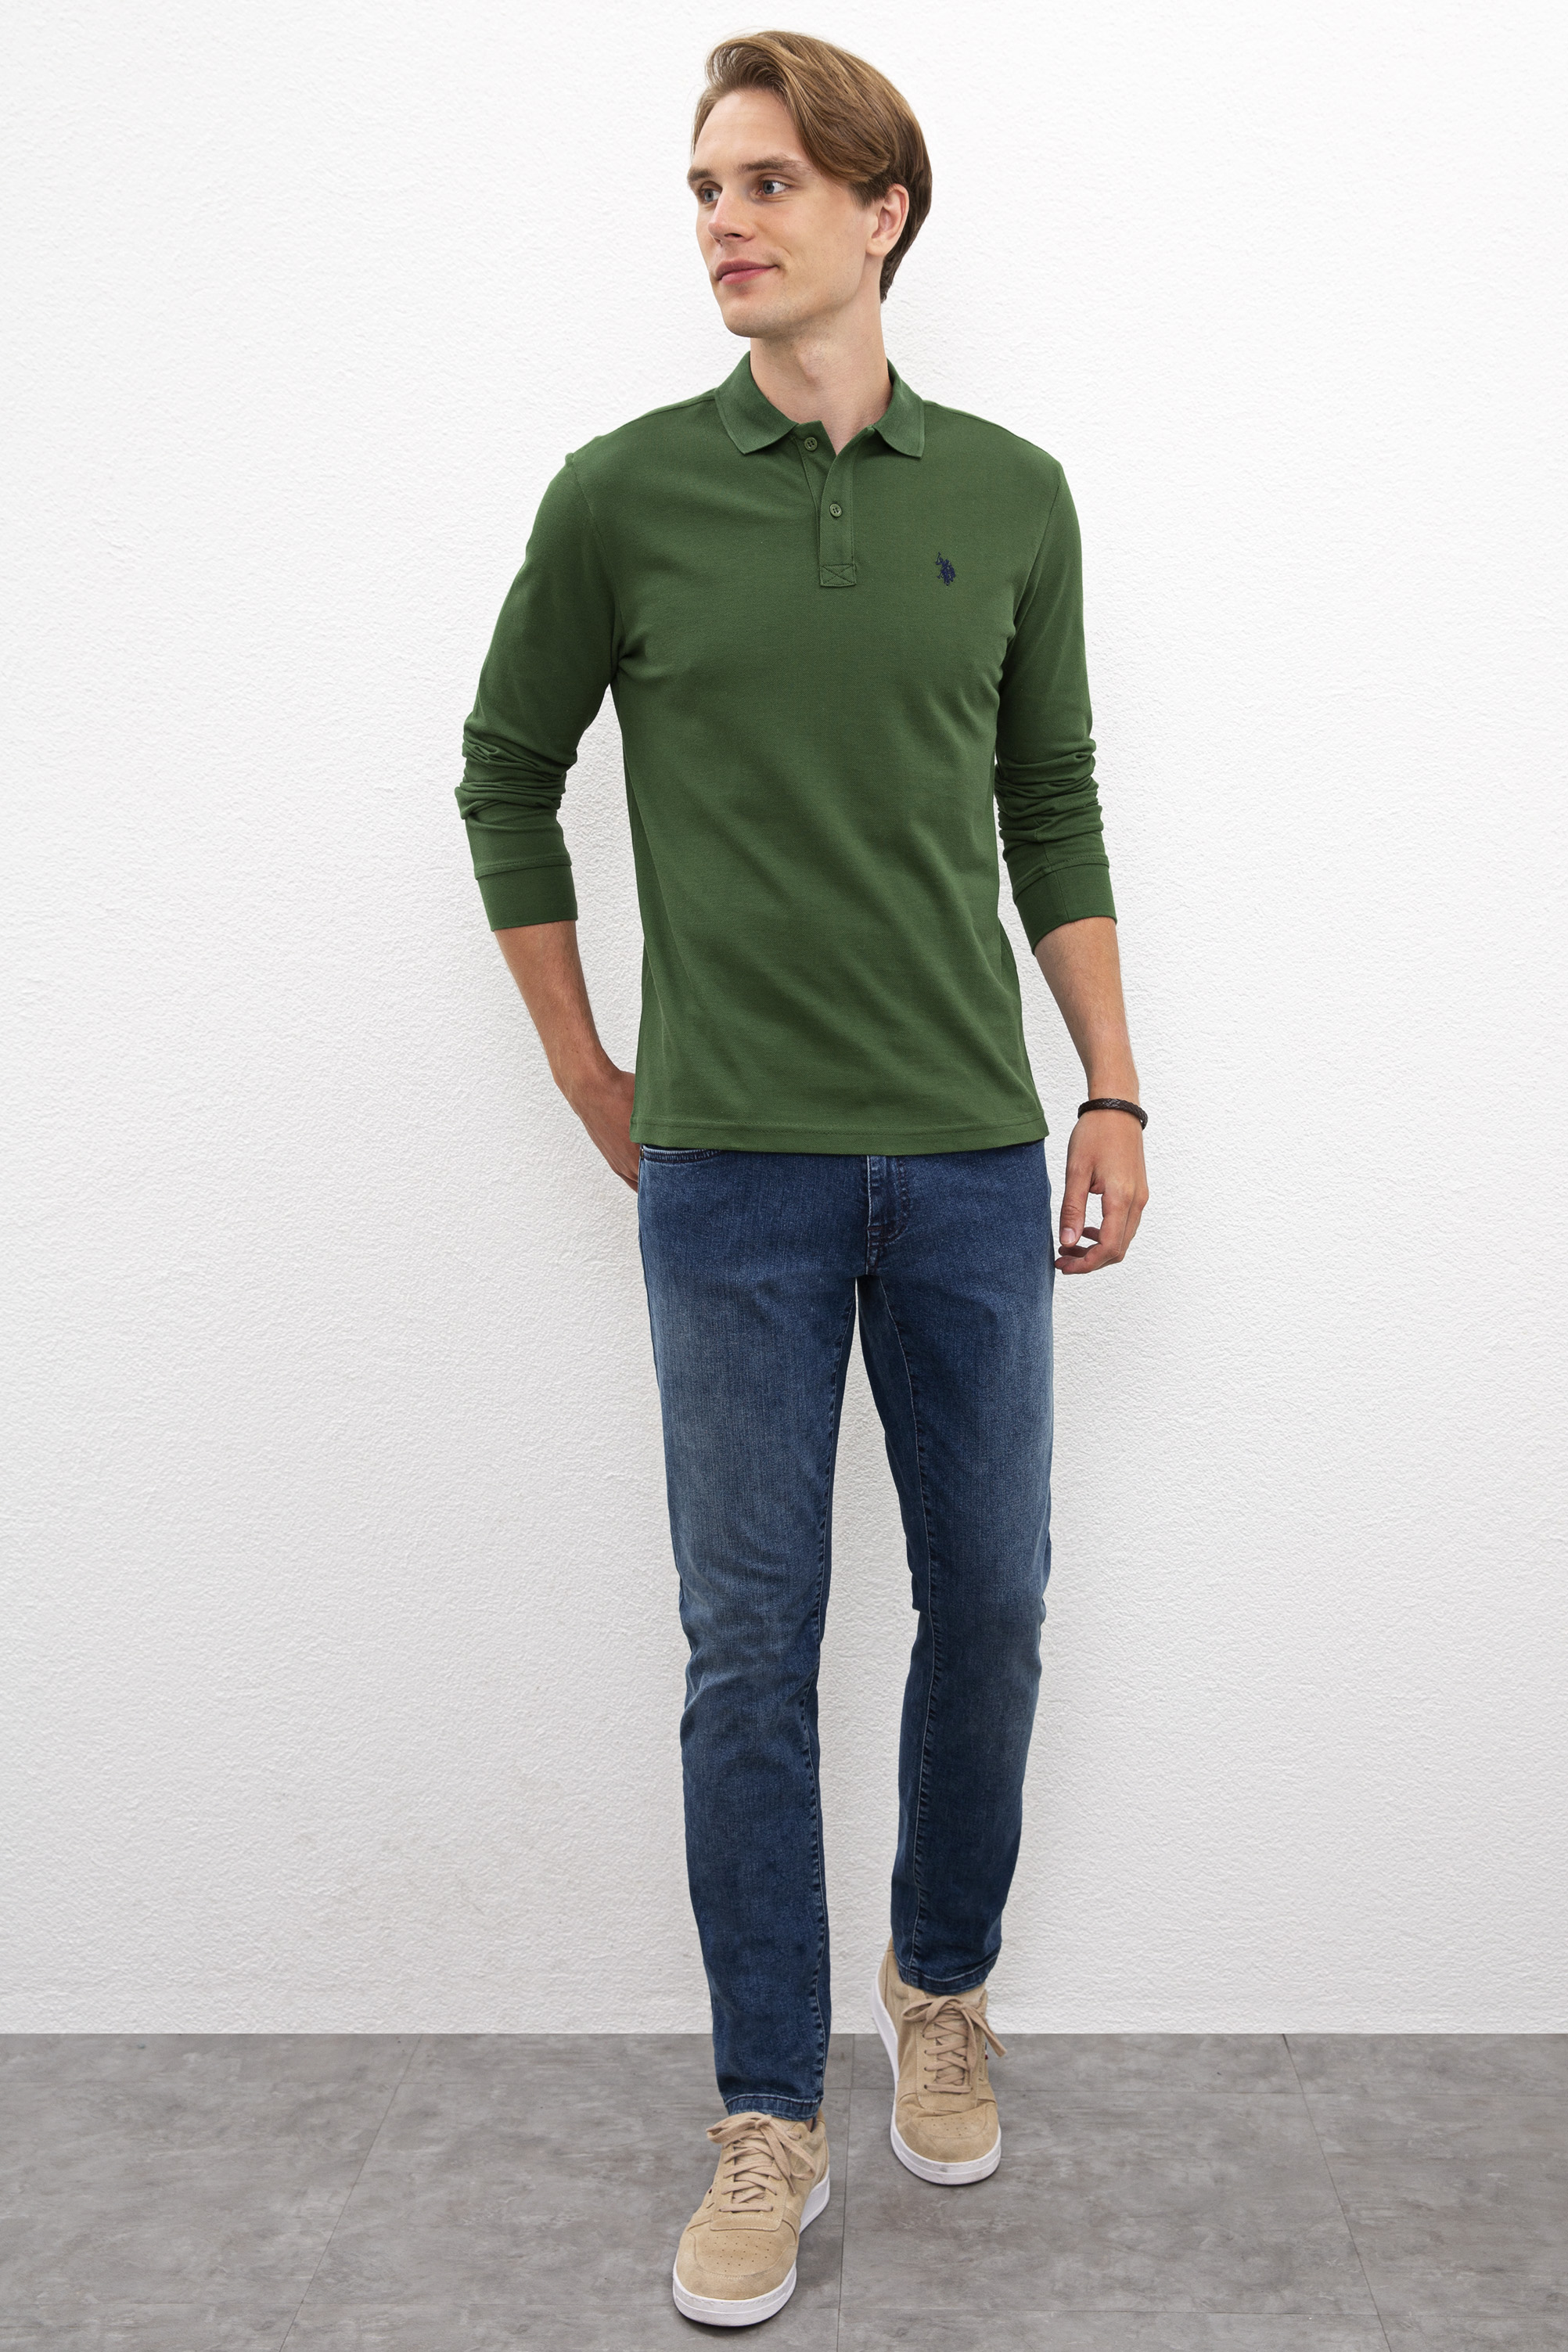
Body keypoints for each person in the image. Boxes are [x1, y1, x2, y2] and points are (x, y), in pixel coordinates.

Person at [456, 29, 1148, 2329]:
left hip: (965, 1157)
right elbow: (502, 773)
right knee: (747, 1649)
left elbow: (1048, 801)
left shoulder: (1016, 496)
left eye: (765, 181)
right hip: (732, 1175)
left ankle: (937, 1984)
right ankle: (768, 2114)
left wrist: (1113, 1087)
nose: (723, 222)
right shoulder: (624, 495)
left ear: (880, 211)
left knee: (996, 1605)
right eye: (703, 187)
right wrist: (591, 1072)